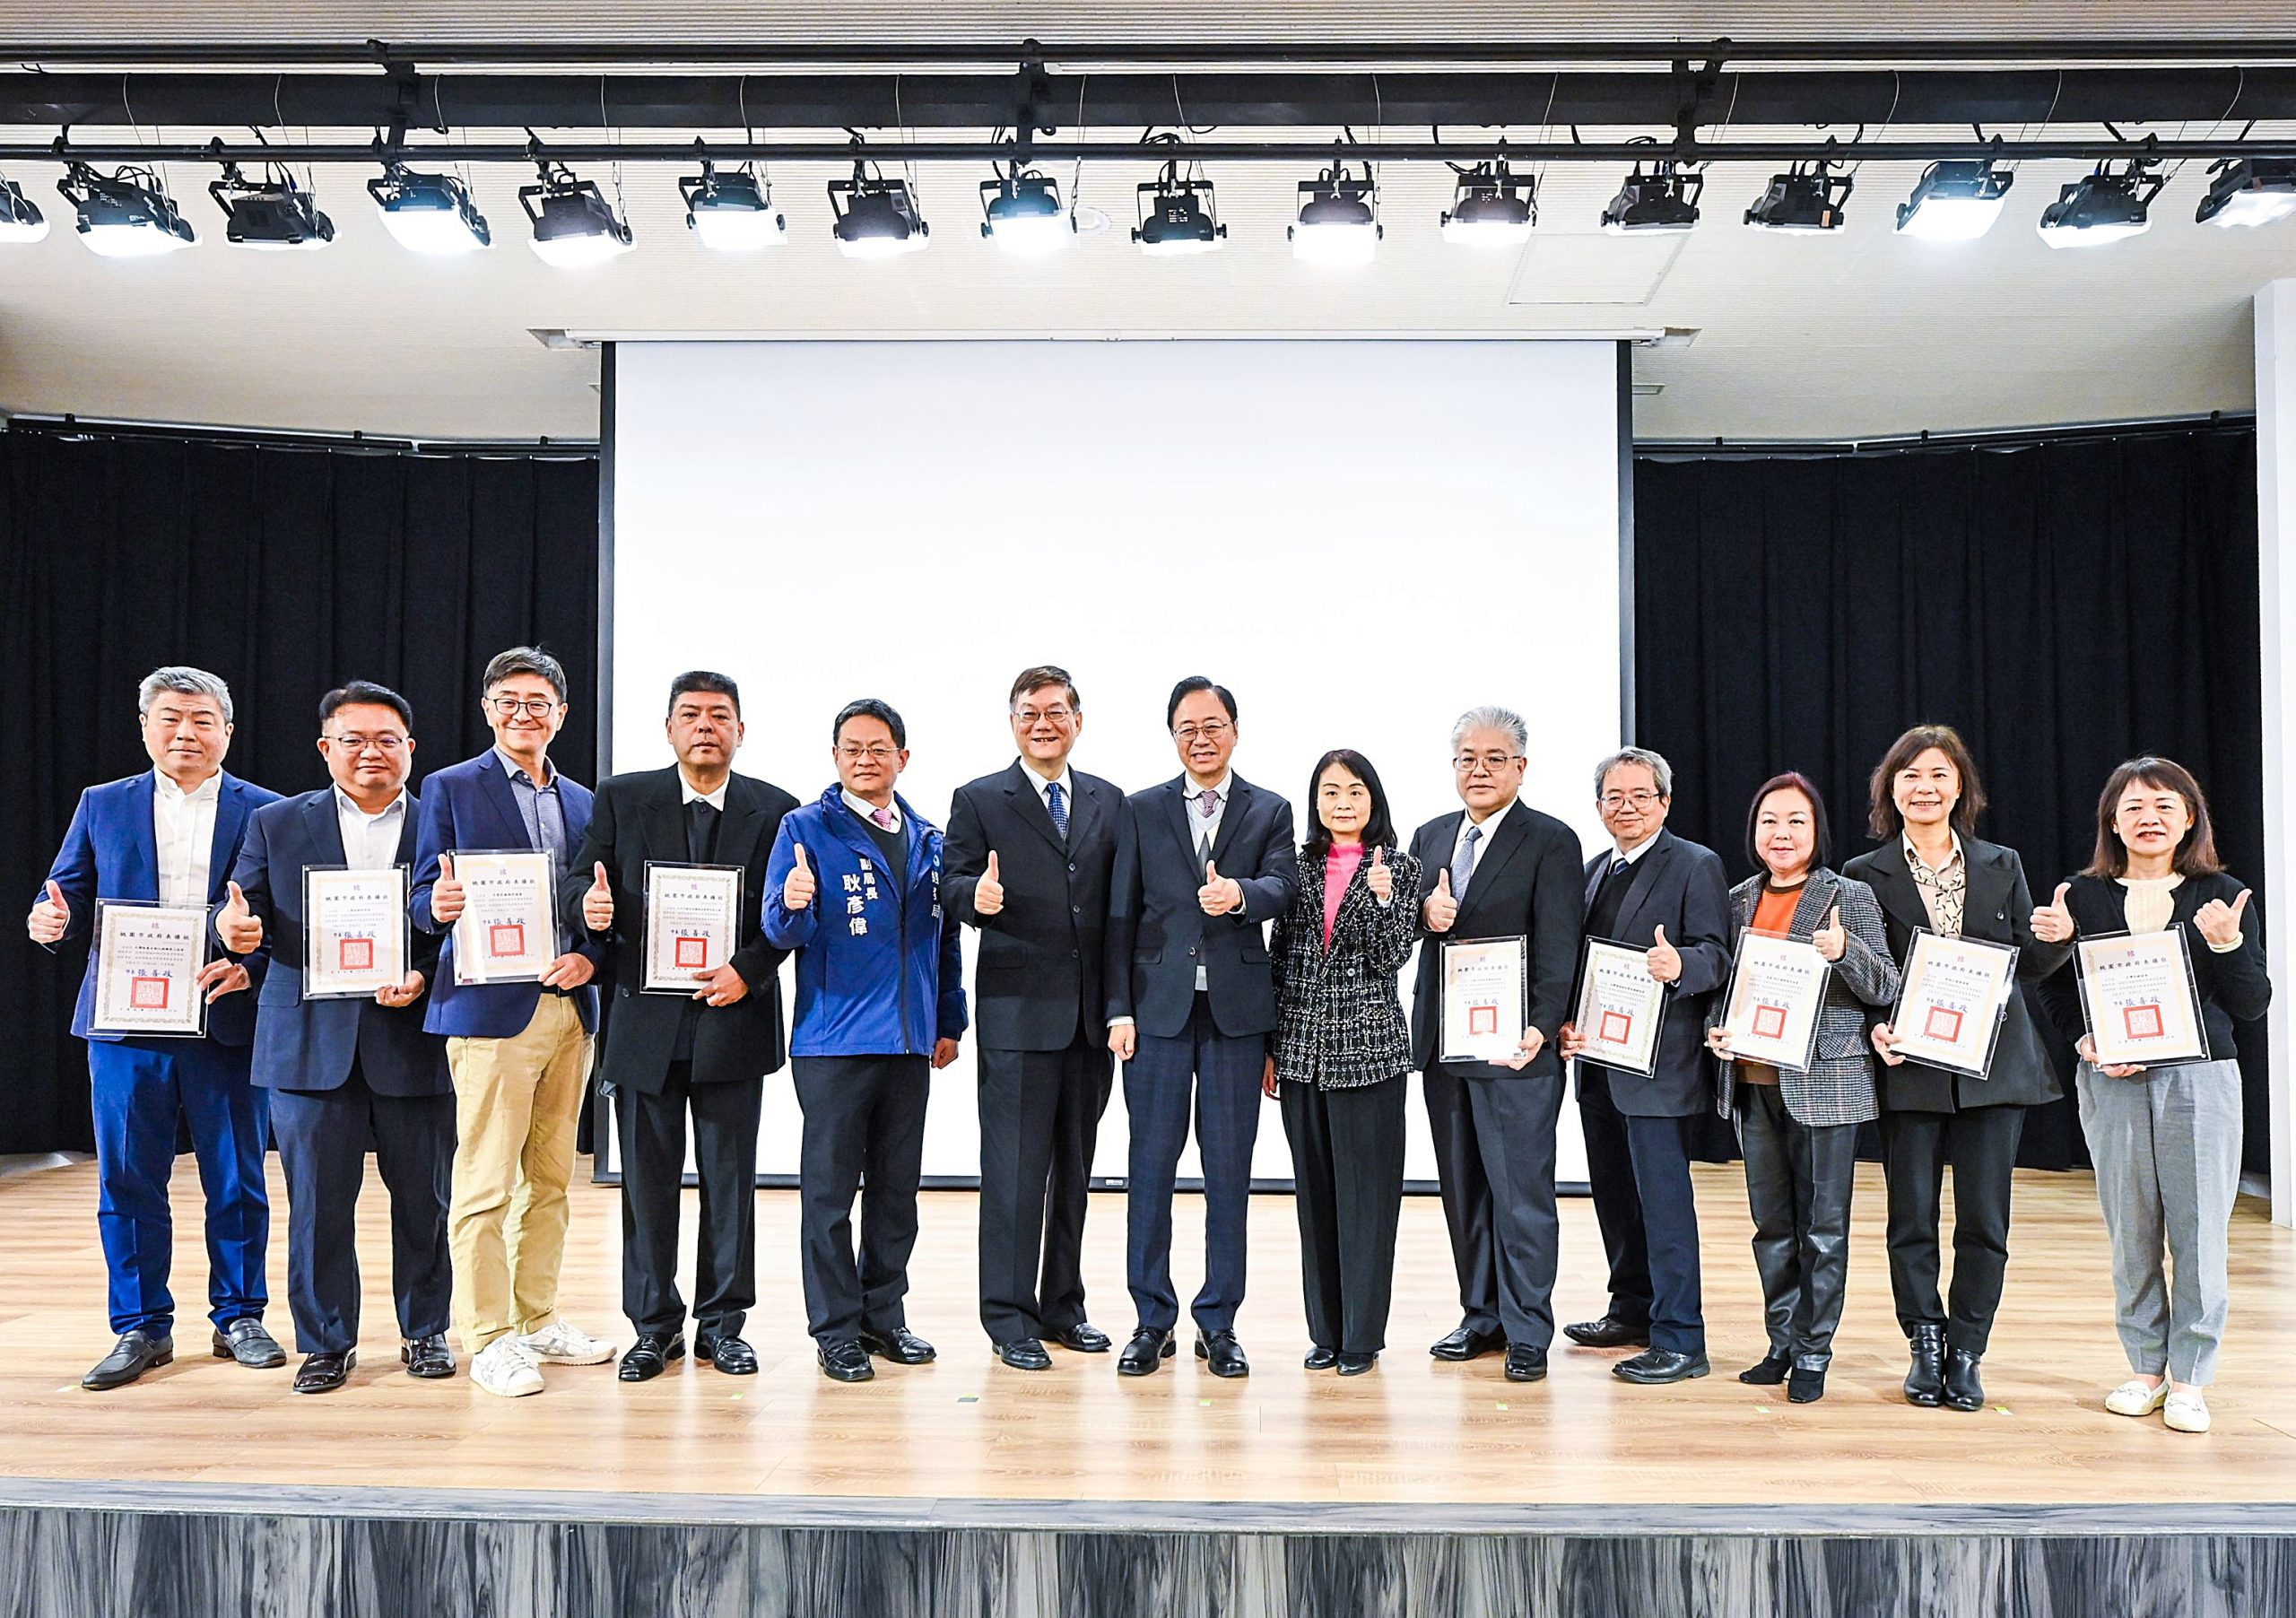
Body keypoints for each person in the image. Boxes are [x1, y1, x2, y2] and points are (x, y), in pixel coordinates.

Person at [29, 666, 283, 1390]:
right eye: (170, 718)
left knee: (237, 1177)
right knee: (128, 1178)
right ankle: (140, 1326)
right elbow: (65, 893)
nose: (186, 733)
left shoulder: (266, 810)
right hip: (125, 1024)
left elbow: (288, 918)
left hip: (224, 1018)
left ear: (227, 731)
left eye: (203, 720)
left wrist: (253, 966)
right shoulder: (102, 803)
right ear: (145, 728)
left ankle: (240, 1316)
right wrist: (49, 921)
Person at [561, 672, 797, 1383]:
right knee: (647, 1188)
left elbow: (788, 915)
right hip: (645, 1024)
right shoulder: (622, 797)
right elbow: (580, 882)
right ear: (668, 729)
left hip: (734, 1016)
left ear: (740, 732)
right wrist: (587, 908)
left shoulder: (776, 809)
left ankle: (723, 1327)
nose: (704, 727)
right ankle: (653, 1328)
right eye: (690, 715)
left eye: (719, 716)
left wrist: (749, 970)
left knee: (731, 1184)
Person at [220, 682, 454, 1394]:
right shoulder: (276, 823)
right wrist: (232, 932)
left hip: (414, 1035)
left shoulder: (442, 822)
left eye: (386, 740)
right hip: (307, 1042)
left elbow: (465, 926)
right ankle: (326, 1342)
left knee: (425, 1201)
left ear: (410, 748)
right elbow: (244, 913)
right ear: (326, 749)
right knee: (318, 1207)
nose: (370, 752)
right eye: (353, 740)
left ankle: (426, 1330)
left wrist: (424, 973)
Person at [2036, 757, 2269, 1437]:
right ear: (2112, 821)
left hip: (2200, 1078)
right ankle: (2145, 1368)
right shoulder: (2082, 896)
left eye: (2165, 806)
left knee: (2199, 1231)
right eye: (2134, 807)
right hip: (2112, 1079)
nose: (2149, 818)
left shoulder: (2222, 895)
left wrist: (2228, 945)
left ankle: (2191, 1377)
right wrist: (2084, 1037)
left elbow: (2251, 1004)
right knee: (2131, 1230)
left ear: (2190, 818)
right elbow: (2055, 991)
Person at [1844, 724, 2069, 1414]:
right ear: (1891, 790)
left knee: (1984, 1220)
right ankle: (1925, 1342)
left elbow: (2026, 962)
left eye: (1939, 774)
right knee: (1910, 1217)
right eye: (1910, 775)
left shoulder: (2002, 862)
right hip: (1910, 1063)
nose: (1926, 787)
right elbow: (1864, 974)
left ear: (1961, 786)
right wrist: (1875, 1026)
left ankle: (1968, 1349)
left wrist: (2058, 940)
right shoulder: (1862, 873)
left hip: (1993, 1067)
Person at [407, 646, 608, 1398]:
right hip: (489, 1008)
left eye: (539, 703)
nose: (525, 714)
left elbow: (599, 904)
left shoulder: (585, 801)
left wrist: (591, 955)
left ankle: (537, 1316)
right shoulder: (451, 786)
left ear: (562, 714)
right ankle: (489, 1337)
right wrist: (437, 906)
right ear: (488, 710)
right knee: (486, 1181)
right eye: (510, 701)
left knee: (551, 1179)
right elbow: (422, 896)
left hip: (569, 1008)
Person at [762, 699, 967, 1384]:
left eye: (879, 749)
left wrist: (948, 1021)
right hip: (834, 1044)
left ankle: (885, 1316)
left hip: (909, 1044)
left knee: (895, 1193)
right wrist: (792, 901)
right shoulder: (804, 829)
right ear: (835, 757)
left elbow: (943, 941)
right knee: (828, 1198)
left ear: (902, 759)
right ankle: (836, 1331)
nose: (865, 759)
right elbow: (780, 933)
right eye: (852, 748)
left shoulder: (930, 838)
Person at [1105, 676, 1299, 1379]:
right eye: (1187, 728)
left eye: (1213, 725)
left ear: (1235, 731)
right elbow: (1120, 914)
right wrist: (1118, 1009)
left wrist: (1238, 895)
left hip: (1236, 1020)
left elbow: (1284, 887)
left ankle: (1218, 1321)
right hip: (1156, 1016)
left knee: (1229, 1174)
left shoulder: (1269, 809)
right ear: (1173, 737)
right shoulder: (1140, 809)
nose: (1201, 738)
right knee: (1149, 1171)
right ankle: (1151, 1318)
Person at [943, 666, 1121, 1370]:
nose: (1042, 724)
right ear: (1012, 722)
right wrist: (974, 899)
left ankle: (1063, 1307)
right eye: (1029, 713)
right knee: (1014, 1174)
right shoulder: (981, 798)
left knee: (1075, 1172)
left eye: (1055, 711)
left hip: (1088, 1022)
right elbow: (951, 883)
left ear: (1078, 719)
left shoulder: (1108, 800)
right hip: (1017, 1017)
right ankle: (1008, 1317)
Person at [1706, 773, 1899, 1405]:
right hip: (1752, 1080)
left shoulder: (1849, 895)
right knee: (1771, 1225)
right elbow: (1721, 988)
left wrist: (1844, 950)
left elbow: (1886, 985)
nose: (1781, 834)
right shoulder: (1736, 900)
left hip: (1827, 1082)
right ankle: (1781, 1343)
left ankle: (1814, 1352)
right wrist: (1716, 1032)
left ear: (1816, 831)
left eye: (1796, 821)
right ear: (1753, 832)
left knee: (1823, 1228)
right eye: (1769, 821)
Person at [1410, 706, 1585, 1385]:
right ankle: (1480, 1315)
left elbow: (1560, 943)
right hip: (1445, 1047)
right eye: (1467, 759)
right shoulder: (1430, 836)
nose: (1478, 770)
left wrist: (1543, 1024)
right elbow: (1407, 930)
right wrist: (1424, 914)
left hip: (1517, 1048)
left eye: (1494, 758)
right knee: (1464, 1190)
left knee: (1521, 1195)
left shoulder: (1551, 840)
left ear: (1521, 767)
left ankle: (1527, 1329)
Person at [1556, 747, 1732, 1385]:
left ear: (1665, 802)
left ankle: (1682, 1338)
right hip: (1599, 1061)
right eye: (1614, 797)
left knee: (1663, 1204)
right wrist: (1566, 1021)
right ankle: (1632, 1309)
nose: (1626, 807)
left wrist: (1681, 964)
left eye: (1640, 796)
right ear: (1598, 805)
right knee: (1615, 1196)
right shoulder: (1592, 871)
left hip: (1660, 1067)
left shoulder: (1694, 864)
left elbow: (1718, 954)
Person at [1264, 749, 1420, 1375]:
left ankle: (1361, 1337)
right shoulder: (1295, 865)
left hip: (1369, 1055)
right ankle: (1325, 1331)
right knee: (1315, 1197)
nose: (1343, 803)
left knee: (1368, 1201)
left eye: (1355, 791)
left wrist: (1382, 902)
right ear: (1316, 802)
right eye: (1330, 792)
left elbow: (1392, 957)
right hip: (1302, 1054)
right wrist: (1271, 1048)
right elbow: (1280, 959)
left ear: (1373, 800)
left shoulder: (1399, 868)